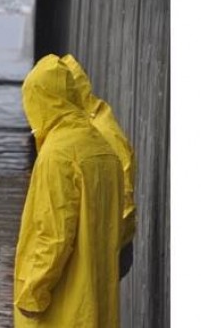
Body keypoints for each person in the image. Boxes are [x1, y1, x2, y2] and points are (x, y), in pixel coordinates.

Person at [14, 54, 124, 327]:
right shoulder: (103, 149)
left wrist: (31, 294)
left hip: (62, 309)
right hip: (96, 304)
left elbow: (53, 235)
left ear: (42, 100)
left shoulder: (57, 155)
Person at [61, 54, 137, 279]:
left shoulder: (101, 131)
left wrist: (107, 244)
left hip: (105, 243)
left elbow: (124, 193)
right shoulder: (87, 122)